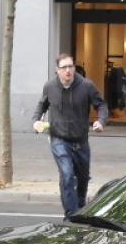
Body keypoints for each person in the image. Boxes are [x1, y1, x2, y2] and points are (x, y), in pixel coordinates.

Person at [32, 52, 109, 218]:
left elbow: (101, 105)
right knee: (67, 175)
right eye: (64, 67)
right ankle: (71, 215)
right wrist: (36, 120)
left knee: (82, 179)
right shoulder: (50, 86)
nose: (68, 70)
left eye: (71, 66)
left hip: (81, 141)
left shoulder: (86, 86)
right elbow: (42, 105)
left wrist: (101, 121)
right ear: (57, 70)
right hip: (59, 139)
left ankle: (80, 208)